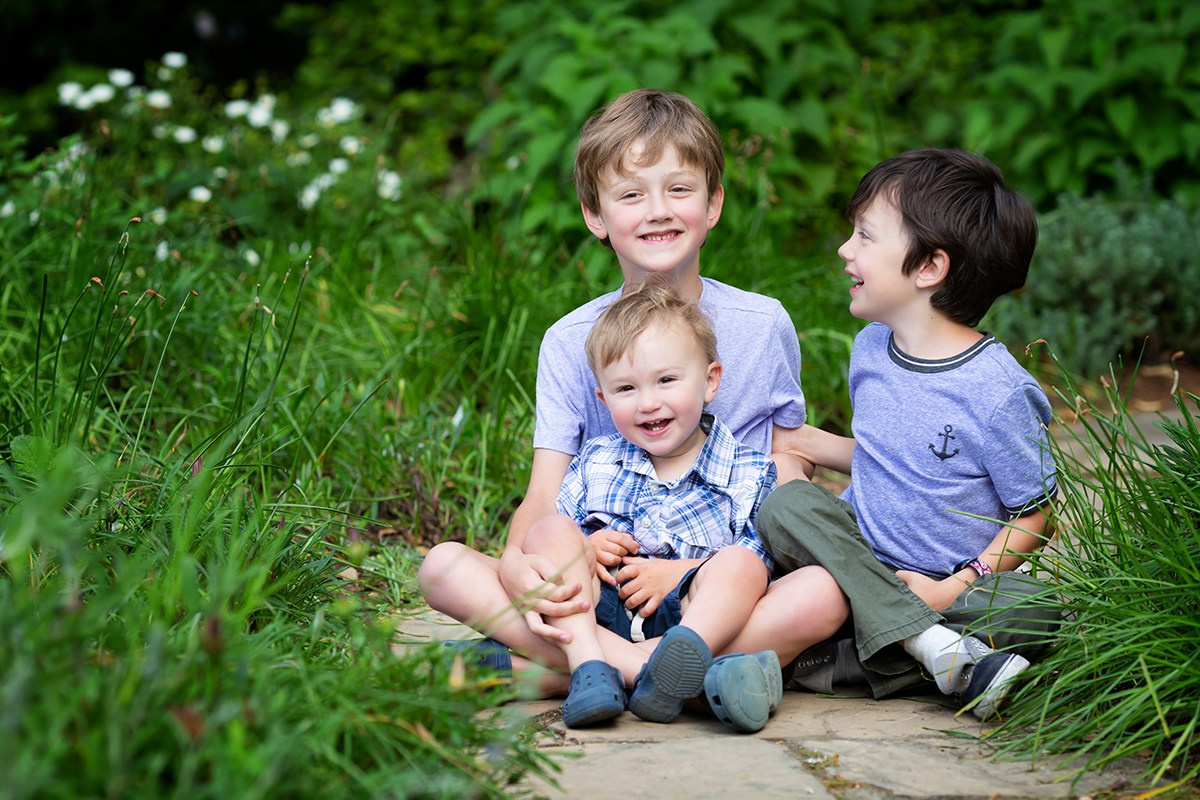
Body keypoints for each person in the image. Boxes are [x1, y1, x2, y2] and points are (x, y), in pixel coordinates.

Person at [418, 88, 847, 719]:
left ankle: (565, 669)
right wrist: (517, 563)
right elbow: (545, 495)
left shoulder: (761, 326)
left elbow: (787, 462)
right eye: (630, 194)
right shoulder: (570, 340)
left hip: (719, 587)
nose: (657, 210)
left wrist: (703, 568)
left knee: (822, 594)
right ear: (595, 216)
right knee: (443, 566)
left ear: (713, 203)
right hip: (600, 585)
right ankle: (660, 673)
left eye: (679, 189)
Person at [761, 148, 1061, 720]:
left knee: (1034, 611)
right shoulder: (871, 348)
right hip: (855, 555)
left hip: (947, 581)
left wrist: (953, 588)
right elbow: (893, 457)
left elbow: (1036, 515)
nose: (845, 249)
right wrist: (800, 443)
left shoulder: (998, 392)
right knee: (786, 505)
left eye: (865, 235)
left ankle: (853, 653)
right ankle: (933, 650)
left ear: (928, 268)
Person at [525, 277, 782, 731]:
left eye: (666, 380)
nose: (648, 403)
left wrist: (683, 573)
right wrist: (586, 549)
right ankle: (610, 670)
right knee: (456, 562)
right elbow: (551, 538)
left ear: (710, 381)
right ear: (603, 399)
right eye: (626, 389)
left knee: (749, 567)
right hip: (593, 612)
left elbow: (759, 563)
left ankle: (654, 666)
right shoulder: (595, 461)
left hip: (692, 619)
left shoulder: (750, 471)